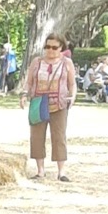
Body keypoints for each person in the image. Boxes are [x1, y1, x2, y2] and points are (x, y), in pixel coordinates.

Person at [22, 33, 76, 181]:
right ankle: (40, 171)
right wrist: (24, 94)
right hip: (39, 103)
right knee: (37, 137)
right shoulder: (37, 62)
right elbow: (29, 81)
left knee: (59, 137)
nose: (50, 50)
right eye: (47, 47)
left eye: (54, 47)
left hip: (59, 104)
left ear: (61, 48)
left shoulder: (67, 63)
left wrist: (72, 96)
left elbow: (72, 83)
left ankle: (61, 172)